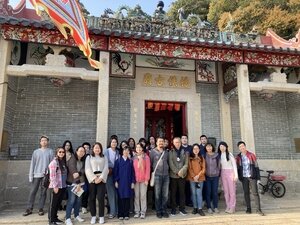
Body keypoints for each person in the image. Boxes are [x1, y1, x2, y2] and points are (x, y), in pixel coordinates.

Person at [23, 135, 53, 217]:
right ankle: (29, 208)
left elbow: (52, 164)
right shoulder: (36, 152)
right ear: (40, 142)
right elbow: (32, 164)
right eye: (42, 140)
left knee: (43, 193)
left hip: (45, 175)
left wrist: (50, 176)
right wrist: (30, 176)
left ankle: (40, 208)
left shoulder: (50, 151)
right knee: (32, 192)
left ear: (48, 142)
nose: (44, 142)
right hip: (36, 174)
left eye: (45, 140)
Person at [236, 141, 264, 216]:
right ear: (239, 148)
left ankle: (258, 210)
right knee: (246, 193)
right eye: (240, 147)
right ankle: (248, 208)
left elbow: (256, 167)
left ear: (245, 146)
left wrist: (258, 178)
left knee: (255, 193)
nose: (242, 147)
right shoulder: (238, 157)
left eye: (243, 146)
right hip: (244, 177)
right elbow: (238, 168)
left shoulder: (251, 155)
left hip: (252, 177)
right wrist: (240, 177)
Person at [85, 142, 109, 224]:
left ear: (101, 149)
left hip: (101, 180)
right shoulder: (89, 157)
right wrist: (94, 178)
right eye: (95, 148)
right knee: (92, 198)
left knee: (100, 198)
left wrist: (101, 177)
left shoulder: (104, 157)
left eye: (98, 148)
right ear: (93, 149)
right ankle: (93, 216)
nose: (97, 149)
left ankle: (101, 216)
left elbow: (106, 168)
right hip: (92, 180)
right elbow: (87, 168)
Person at [65, 146, 86, 225]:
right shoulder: (72, 159)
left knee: (78, 200)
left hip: (81, 183)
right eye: (80, 151)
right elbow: (73, 173)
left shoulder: (83, 160)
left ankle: (76, 215)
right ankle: (67, 218)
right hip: (73, 184)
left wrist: (80, 173)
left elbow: (83, 170)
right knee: (71, 200)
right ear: (76, 151)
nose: (82, 153)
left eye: (83, 151)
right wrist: (78, 183)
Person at [150, 137, 169, 219]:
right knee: (157, 194)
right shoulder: (152, 152)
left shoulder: (166, 152)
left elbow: (168, 162)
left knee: (165, 194)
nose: (161, 143)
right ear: (156, 143)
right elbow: (151, 163)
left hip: (166, 176)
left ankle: (164, 210)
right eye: (159, 141)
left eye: (162, 141)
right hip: (157, 175)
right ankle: (158, 211)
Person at [114, 146, 135, 220]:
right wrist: (116, 181)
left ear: (129, 152)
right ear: (122, 151)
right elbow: (115, 172)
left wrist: (133, 182)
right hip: (120, 182)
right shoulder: (118, 161)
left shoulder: (130, 161)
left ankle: (126, 214)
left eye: (127, 151)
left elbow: (133, 173)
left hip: (128, 182)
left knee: (127, 198)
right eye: (125, 150)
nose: (126, 152)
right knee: (120, 198)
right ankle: (120, 214)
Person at [169, 137, 188, 216]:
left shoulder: (185, 152)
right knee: (173, 193)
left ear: (181, 143)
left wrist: (181, 172)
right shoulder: (171, 152)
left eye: (179, 142)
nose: (178, 143)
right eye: (176, 142)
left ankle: (182, 208)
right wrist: (177, 172)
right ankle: (173, 209)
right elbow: (171, 163)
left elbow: (186, 164)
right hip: (173, 176)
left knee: (182, 193)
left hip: (182, 176)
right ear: (173, 143)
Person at [48, 147, 67, 225]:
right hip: (56, 186)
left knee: (58, 203)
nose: (61, 153)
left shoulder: (62, 162)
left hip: (62, 186)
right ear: (57, 153)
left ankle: (55, 217)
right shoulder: (54, 162)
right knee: (54, 204)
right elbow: (52, 175)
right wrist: (55, 186)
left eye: (63, 152)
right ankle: (52, 220)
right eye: (60, 152)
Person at [218, 141, 238, 214]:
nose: (222, 148)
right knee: (226, 191)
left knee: (232, 191)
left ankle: (232, 207)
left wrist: (236, 175)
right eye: (220, 146)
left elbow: (234, 165)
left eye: (223, 146)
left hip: (230, 172)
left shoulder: (230, 154)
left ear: (226, 147)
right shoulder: (219, 155)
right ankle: (228, 206)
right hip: (223, 173)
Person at [133, 142, 150, 219]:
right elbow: (132, 170)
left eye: (140, 147)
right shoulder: (134, 157)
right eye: (137, 147)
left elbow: (148, 169)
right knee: (136, 196)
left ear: (142, 148)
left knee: (143, 196)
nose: (138, 149)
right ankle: (137, 211)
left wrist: (147, 179)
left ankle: (143, 212)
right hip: (136, 180)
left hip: (143, 180)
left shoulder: (146, 157)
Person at [187, 144, 206, 216]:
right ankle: (195, 208)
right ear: (192, 150)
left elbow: (203, 169)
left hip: (200, 179)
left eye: (197, 148)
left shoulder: (202, 158)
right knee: (193, 194)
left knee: (199, 194)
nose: (196, 150)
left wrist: (198, 176)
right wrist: (194, 176)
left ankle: (200, 208)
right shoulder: (190, 158)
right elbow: (189, 168)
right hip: (192, 179)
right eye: (194, 149)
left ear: (199, 149)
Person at [104, 137, 120, 219]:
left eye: (115, 142)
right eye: (112, 142)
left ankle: (117, 211)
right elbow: (106, 162)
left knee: (117, 193)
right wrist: (115, 166)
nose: (114, 143)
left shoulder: (118, 152)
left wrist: (116, 167)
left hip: (116, 174)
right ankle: (112, 212)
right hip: (109, 174)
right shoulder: (106, 151)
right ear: (110, 143)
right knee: (111, 193)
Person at [205, 143, 220, 214]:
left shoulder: (217, 155)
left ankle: (215, 207)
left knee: (214, 192)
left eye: (210, 146)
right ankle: (209, 207)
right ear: (206, 148)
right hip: (207, 176)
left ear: (212, 147)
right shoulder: (204, 155)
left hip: (215, 177)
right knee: (208, 192)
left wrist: (217, 173)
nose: (209, 148)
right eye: (207, 147)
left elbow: (219, 165)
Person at [81, 142, 91, 214]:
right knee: (78, 192)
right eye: (85, 148)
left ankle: (84, 206)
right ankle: (74, 207)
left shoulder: (90, 157)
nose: (86, 149)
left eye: (88, 148)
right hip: (80, 177)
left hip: (88, 177)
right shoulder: (79, 156)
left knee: (86, 191)